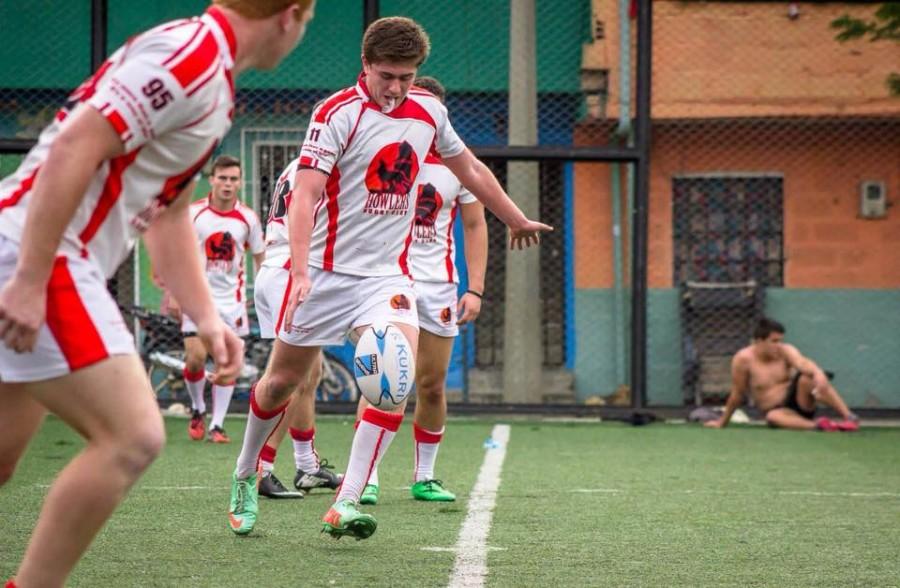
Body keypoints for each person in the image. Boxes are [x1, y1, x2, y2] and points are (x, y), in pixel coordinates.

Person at [0, 2, 316, 586]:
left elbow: (166, 215)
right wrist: (30, 277)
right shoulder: (193, 56)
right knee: (134, 436)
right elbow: (74, 146)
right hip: (43, 253)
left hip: (43, 256)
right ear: (290, 16)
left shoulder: (212, 77)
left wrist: (209, 318)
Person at [227, 16, 551, 540]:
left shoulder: (429, 111)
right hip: (327, 275)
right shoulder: (335, 113)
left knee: (394, 380)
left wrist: (513, 216)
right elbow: (306, 194)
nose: (396, 88)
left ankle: (347, 500)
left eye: (406, 76)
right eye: (387, 76)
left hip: (387, 278)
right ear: (366, 66)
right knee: (282, 381)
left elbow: (469, 169)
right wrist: (303, 270)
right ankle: (245, 472)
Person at [357, 76, 487, 506]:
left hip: (440, 287)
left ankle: (424, 476)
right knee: (383, 383)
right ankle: (367, 475)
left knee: (431, 385)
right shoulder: (385, 149)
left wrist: (476, 289)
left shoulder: (459, 162)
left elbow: (474, 224)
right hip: (392, 281)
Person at [166, 155, 265, 444]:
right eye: (222, 178)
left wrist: (263, 292)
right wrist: (173, 292)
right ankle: (198, 408)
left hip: (231, 302)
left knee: (227, 361)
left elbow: (260, 257)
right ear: (212, 180)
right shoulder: (193, 213)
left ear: (239, 182)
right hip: (195, 296)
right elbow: (176, 253)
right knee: (195, 359)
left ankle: (217, 425)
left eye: (233, 179)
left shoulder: (248, 218)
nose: (228, 184)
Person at [705, 317, 860, 432]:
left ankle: (850, 418)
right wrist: (722, 422)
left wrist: (818, 373)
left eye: (780, 340)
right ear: (759, 341)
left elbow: (803, 363)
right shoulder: (743, 359)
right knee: (772, 417)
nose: (778, 345)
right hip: (779, 413)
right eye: (774, 341)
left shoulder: (785, 350)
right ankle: (821, 426)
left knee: (808, 378)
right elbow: (737, 394)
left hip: (800, 403)